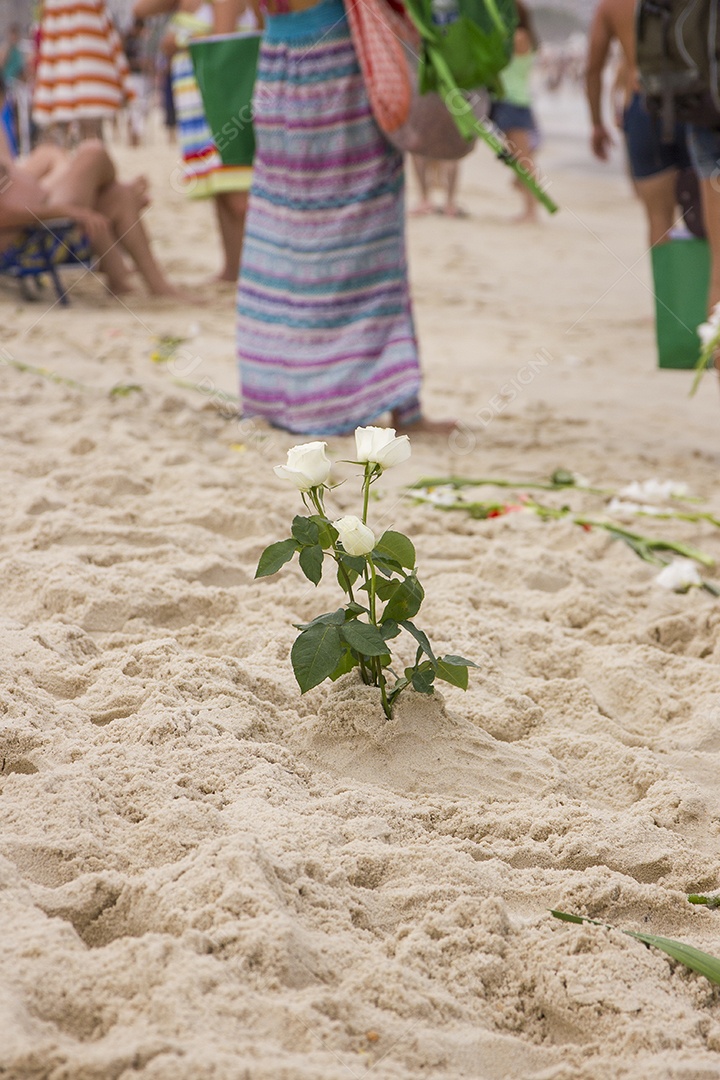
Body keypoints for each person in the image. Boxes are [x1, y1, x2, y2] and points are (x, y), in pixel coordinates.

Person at [235, 0, 454, 436]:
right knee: (367, 227)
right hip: (341, 62)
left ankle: (289, 394)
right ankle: (400, 408)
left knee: (284, 228)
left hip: (279, 62)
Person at [0, 80, 187, 300]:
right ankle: (140, 281)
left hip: (39, 220)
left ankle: (143, 285)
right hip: (31, 235)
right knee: (93, 152)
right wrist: (67, 211)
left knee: (118, 194)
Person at [133, 0, 260, 283]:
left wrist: (179, 40)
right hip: (201, 106)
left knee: (237, 192)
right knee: (220, 188)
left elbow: (223, 47)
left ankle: (251, 270)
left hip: (223, 103)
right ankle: (233, 268)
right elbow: (140, 9)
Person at [585, 0, 691, 248]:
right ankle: (710, 285)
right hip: (694, 105)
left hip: (645, 106)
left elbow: (592, 69)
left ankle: (667, 287)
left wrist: (597, 123)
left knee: (658, 218)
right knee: (708, 216)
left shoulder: (612, 5)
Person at [32, 0, 134, 144]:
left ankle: (86, 150)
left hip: (70, 67)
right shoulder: (86, 7)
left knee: (85, 127)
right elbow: (111, 38)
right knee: (91, 126)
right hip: (90, 66)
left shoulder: (54, 8)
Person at [489, 0, 542, 224]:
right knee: (519, 158)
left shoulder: (518, 37)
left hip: (514, 102)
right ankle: (528, 204)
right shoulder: (523, 36)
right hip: (511, 102)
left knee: (523, 160)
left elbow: (497, 57)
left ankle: (531, 210)